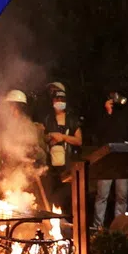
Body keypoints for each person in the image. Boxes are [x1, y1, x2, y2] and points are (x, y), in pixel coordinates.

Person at [92, 90, 128, 230]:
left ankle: (119, 227)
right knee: (102, 195)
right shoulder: (103, 115)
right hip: (106, 160)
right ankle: (98, 227)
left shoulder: (126, 113)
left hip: (122, 159)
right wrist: (108, 113)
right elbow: (99, 133)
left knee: (122, 195)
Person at [42, 86, 82, 216]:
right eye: (57, 99)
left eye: (62, 99)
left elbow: (79, 140)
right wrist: (49, 137)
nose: (59, 101)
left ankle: (69, 225)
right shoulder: (48, 119)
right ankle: (53, 223)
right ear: (52, 101)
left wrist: (63, 137)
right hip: (52, 167)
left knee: (67, 197)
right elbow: (43, 137)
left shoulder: (72, 120)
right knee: (51, 196)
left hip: (67, 165)